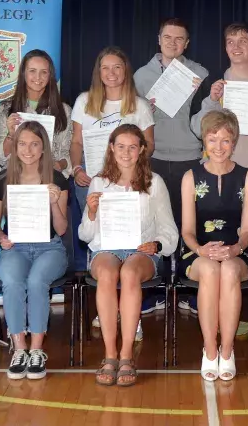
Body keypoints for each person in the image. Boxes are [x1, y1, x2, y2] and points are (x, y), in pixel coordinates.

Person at [192, 23, 248, 329]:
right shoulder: (218, 86)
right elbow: (198, 128)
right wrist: (210, 100)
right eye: (230, 41)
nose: (236, 46)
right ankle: (213, 303)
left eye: (242, 41)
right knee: (214, 238)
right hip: (219, 178)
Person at [79, 124, 178, 386]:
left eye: (132, 147)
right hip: (107, 248)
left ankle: (126, 355)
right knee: (109, 272)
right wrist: (90, 212)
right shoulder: (99, 182)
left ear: (142, 150)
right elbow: (85, 235)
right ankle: (109, 354)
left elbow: (169, 230)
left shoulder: (154, 183)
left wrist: (157, 244)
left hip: (140, 250)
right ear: (111, 149)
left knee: (130, 272)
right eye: (120, 146)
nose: (126, 152)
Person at [134, 18, 207, 319]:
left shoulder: (200, 74)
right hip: (153, 158)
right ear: (158, 39)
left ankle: (189, 292)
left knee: (187, 224)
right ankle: (155, 291)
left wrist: (205, 95)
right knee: (154, 225)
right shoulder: (140, 76)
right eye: (168, 37)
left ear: (187, 43)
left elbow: (206, 120)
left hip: (190, 156)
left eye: (180, 39)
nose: (173, 43)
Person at [177, 110, 248, 382]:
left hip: (238, 251)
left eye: (225, 140)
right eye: (213, 140)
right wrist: (201, 250)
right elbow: (187, 231)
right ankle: (210, 351)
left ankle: (227, 351)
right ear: (204, 141)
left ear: (234, 142)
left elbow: (247, 231)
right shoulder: (190, 176)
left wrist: (235, 249)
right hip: (197, 252)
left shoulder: (247, 177)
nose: (219, 147)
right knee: (211, 270)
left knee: (229, 271)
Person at [0, 121, 70, 380]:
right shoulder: (2, 180)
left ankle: (36, 350)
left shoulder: (56, 179)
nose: (28, 149)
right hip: (16, 247)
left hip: (50, 248)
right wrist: (1, 238)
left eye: (35, 143)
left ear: (44, 147)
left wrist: (54, 203)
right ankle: (19, 348)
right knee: (11, 281)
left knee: (36, 282)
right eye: (22, 143)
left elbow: (62, 228)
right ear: (13, 145)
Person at [70, 46, 155, 200]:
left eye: (117, 67)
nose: (111, 73)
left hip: (128, 178)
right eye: (105, 68)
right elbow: (76, 141)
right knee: (91, 223)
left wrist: (131, 162)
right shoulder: (83, 101)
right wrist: (77, 169)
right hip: (90, 178)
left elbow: (149, 143)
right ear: (99, 72)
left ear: (126, 71)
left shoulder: (141, 105)